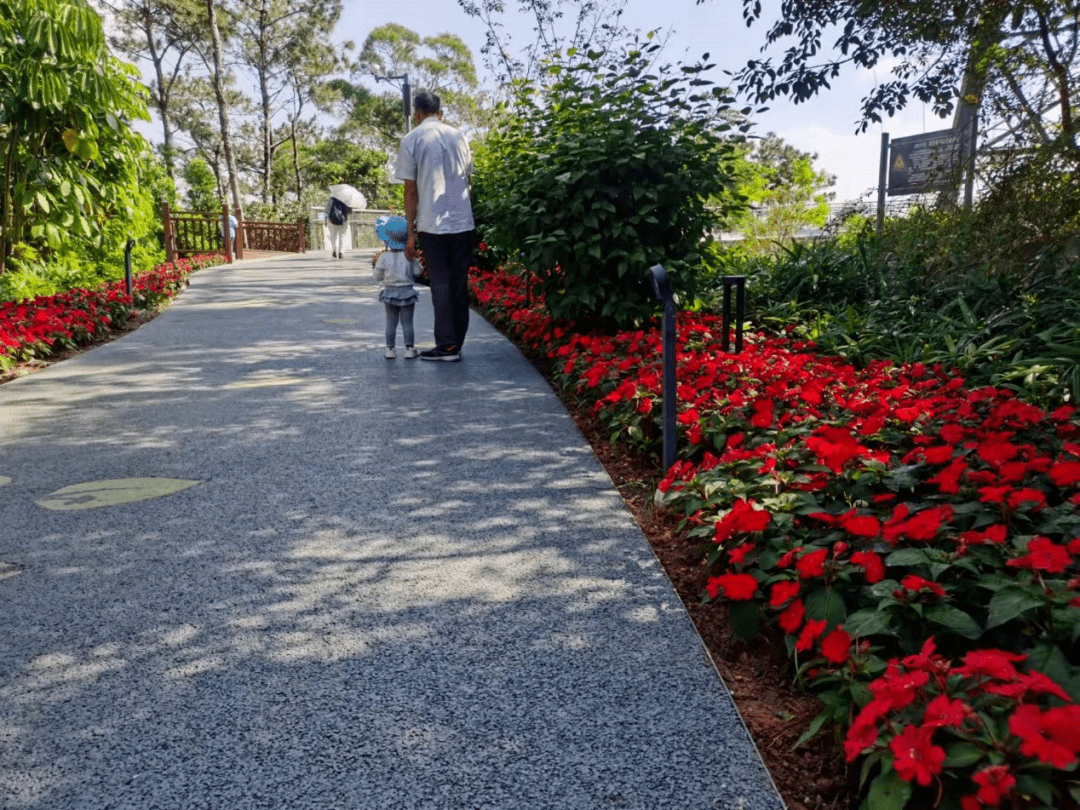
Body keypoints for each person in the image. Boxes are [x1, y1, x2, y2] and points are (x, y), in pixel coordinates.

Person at [394, 88, 475, 362]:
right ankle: (456, 343)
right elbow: (468, 181)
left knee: (440, 281)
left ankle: (447, 346)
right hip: (463, 222)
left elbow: (410, 190)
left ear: (417, 113)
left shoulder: (412, 139)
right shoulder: (458, 136)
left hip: (432, 224)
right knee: (458, 282)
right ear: (439, 112)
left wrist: (410, 233)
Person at [373, 215, 421, 360]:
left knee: (390, 322)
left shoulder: (383, 257)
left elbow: (377, 275)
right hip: (407, 293)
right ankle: (409, 349)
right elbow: (418, 272)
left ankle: (390, 349)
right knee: (407, 323)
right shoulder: (409, 257)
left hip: (389, 293)